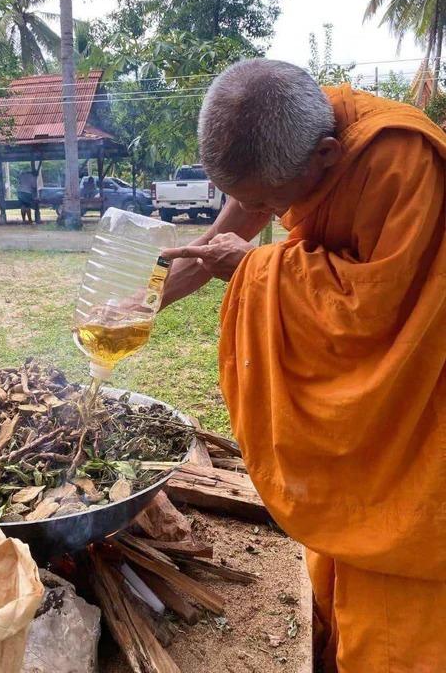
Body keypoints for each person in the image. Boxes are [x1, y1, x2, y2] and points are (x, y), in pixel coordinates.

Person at [162, 59, 446, 672]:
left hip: (413, 406)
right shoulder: (282, 150)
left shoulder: (402, 163)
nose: (253, 210)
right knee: (340, 552)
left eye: (264, 202)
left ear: (323, 155)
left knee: (399, 601)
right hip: (359, 411)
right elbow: (215, 242)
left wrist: (255, 268)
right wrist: (138, 300)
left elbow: (377, 315)